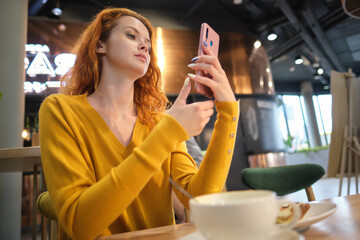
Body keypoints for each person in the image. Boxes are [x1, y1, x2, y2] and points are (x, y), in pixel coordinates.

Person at [39, 7, 238, 240]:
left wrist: (228, 112)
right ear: (99, 45)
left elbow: (201, 199)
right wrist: (168, 133)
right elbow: (81, 225)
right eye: (131, 36)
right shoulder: (60, 110)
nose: (144, 46)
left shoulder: (159, 121)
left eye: (148, 44)